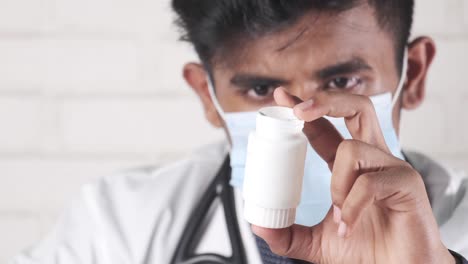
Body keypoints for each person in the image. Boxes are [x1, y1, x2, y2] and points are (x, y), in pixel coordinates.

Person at [11, 1, 468, 263]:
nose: (300, 117)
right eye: (260, 89)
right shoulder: (115, 229)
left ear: (415, 75)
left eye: (342, 82)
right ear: (207, 97)